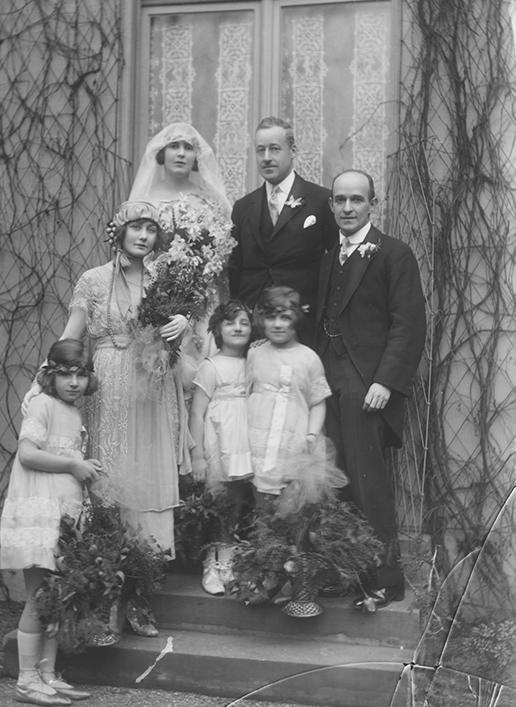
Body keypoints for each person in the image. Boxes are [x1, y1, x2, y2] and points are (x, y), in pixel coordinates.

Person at [23, 201, 179, 637]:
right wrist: (42, 379)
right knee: (108, 481)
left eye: (151, 228)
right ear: (118, 232)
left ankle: (140, 597)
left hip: (150, 386)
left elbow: (176, 338)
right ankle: (105, 599)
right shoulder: (93, 280)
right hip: (108, 383)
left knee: (145, 479)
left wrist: (181, 322)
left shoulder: (163, 280)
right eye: (135, 227)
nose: (143, 236)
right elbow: (71, 335)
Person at [315, 169, 427, 611]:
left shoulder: (395, 254)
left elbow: (409, 324)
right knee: (335, 483)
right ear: (331, 206)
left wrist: (385, 381)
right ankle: (351, 575)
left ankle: (386, 580)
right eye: (340, 200)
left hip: (367, 387)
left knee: (369, 485)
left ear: (371, 204)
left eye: (356, 200)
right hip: (328, 383)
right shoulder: (328, 258)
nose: (347, 208)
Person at [0, 339, 100, 707]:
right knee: (40, 598)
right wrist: (74, 465)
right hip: (41, 515)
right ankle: (27, 680)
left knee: (59, 597)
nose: (74, 382)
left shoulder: (73, 412)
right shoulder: (42, 404)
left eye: (81, 374)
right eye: (66, 374)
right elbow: (28, 454)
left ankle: (47, 675)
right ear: (50, 376)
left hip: (64, 517)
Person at [128, 122, 233, 386]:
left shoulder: (209, 201)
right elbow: (132, 252)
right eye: (174, 146)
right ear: (162, 153)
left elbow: (221, 255)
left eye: (188, 147)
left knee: (200, 373)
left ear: (197, 156)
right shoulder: (144, 201)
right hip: (155, 296)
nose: (181, 153)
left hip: (201, 300)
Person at [228, 117, 338, 345]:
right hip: (253, 324)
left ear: (293, 150)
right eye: (260, 150)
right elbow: (235, 270)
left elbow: (335, 264)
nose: (266, 157)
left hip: (301, 323)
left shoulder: (320, 200)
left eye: (274, 149)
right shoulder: (242, 207)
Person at [247, 287, 345, 504]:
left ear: (297, 319)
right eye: (271, 318)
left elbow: (317, 402)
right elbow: (247, 392)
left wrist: (311, 434)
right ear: (262, 320)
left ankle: (288, 536)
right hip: (259, 436)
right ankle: (264, 532)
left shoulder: (308, 358)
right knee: (260, 490)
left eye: (285, 318)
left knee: (292, 495)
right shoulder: (255, 353)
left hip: (294, 438)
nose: (278, 324)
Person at [188, 299, 254, 596]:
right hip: (218, 441)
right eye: (230, 323)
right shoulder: (210, 366)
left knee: (236, 503)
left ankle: (227, 563)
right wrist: (197, 454)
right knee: (218, 502)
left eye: (244, 322)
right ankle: (210, 564)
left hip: (244, 443)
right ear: (217, 329)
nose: (238, 328)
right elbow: (197, 413)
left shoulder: (253, 364)